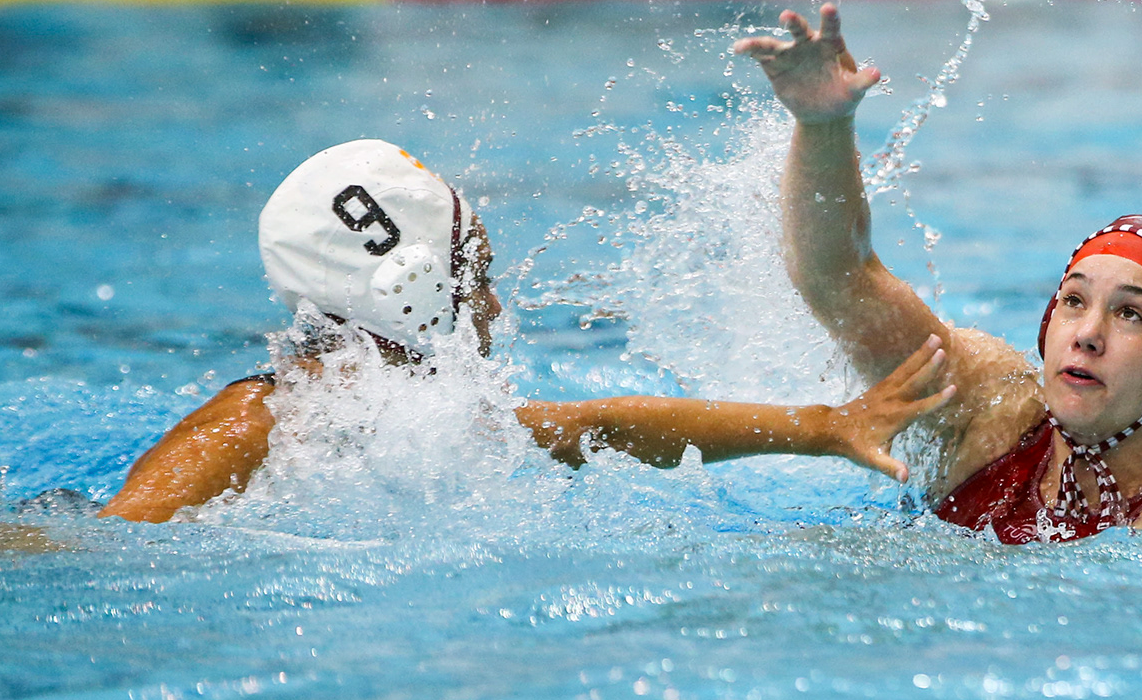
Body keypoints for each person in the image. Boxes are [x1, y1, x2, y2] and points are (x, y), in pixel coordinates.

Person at [101, 139, 953, 523]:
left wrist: (821, 427)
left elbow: (600, 426)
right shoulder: (255, 424)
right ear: (414, 288)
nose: (498, 309)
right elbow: (112, 546)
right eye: (482, 272)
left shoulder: (408, 413)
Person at [734, 5, 1142, 541]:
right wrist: (822, 127)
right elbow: (840, 282)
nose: (1086, 336)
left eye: (1129, 313)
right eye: (1074, 301)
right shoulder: (990, 403)